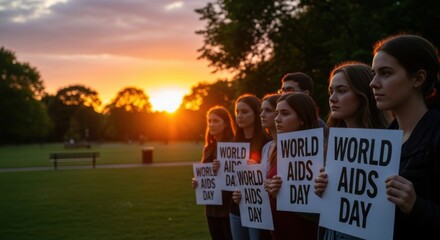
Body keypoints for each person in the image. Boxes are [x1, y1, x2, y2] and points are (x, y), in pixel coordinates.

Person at [369, 34, 440, 239]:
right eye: (374, 73)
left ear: (418, 78)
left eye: (386, 73)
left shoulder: (436, 134)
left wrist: (415, 206)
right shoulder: (381, 140)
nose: (373, 83)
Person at [313, 61, 391, 239]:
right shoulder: (334, 143)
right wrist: (323, 190)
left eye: (341, 91)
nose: (332, 98)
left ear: (363, 95)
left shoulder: (387, 144)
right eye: (331, 91)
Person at [265, 93, 320, 239]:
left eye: (285, 113)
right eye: (276, 113)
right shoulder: (279, 148)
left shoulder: (322, 151)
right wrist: (270, 187)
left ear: (302, 118)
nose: (277, 119)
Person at [232, 93, 280, 238]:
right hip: (237, 206)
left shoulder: (265, 144)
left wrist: (256, 171)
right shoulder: (234, 144)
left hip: (261, 212)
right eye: (237, 112)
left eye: (245, 111)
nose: (239, 116)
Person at [192, 106, 235, 240]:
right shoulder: (208, 148)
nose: (211, 124)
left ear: (226, 124)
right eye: (209, 121)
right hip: (211, 207)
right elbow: (205, 173)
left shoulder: (234, 146)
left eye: (216, 121)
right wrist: (197, 181)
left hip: (228, 206)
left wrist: (223, 169)